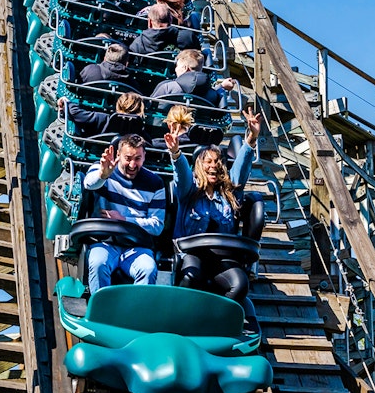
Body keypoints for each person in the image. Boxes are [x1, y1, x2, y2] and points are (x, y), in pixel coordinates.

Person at [165, 108, 264, 302]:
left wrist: (251, 138)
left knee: (239, 283)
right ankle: (183, 316)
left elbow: (240, 170)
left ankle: (219, 319)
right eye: (208, 162)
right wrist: (176, 153)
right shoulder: (189, 191)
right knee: (191, 277)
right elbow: (182, 174)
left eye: (218, 161)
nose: (214, 165)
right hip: (193, 253)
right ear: (199, 167)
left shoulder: (228, 194)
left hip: (223, 257)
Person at [83, 134, 166, 292]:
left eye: (138, 158)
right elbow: (89, 183)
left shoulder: (155, 183)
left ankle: (137, 313)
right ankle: (100, 310)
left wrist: (124, 220)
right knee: (98, 263)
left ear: (144, 157)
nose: (133, 165)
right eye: (128, 158)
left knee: (148, 269)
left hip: (137, 245)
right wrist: (103, 175)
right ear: (118, 155)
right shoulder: (103, 168)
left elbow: (157, 225)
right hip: (106, 241)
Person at [150, 49, 236, 107]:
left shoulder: (167, 87)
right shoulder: (213, 95)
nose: (175, 69)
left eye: (177, 66)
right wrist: (221, 87)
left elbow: (149, 106)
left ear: (185, 68)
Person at [61, 92, 145, 138]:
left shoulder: (102, 119)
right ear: (140, 110)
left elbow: (76, 113)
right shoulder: (141, 134)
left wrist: (67, 103)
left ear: (118, 105)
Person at [128, 4, 198, 55]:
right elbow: (197, 56)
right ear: (171, 20)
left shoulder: (136, 46)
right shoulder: (187, 37)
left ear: (149, 22)